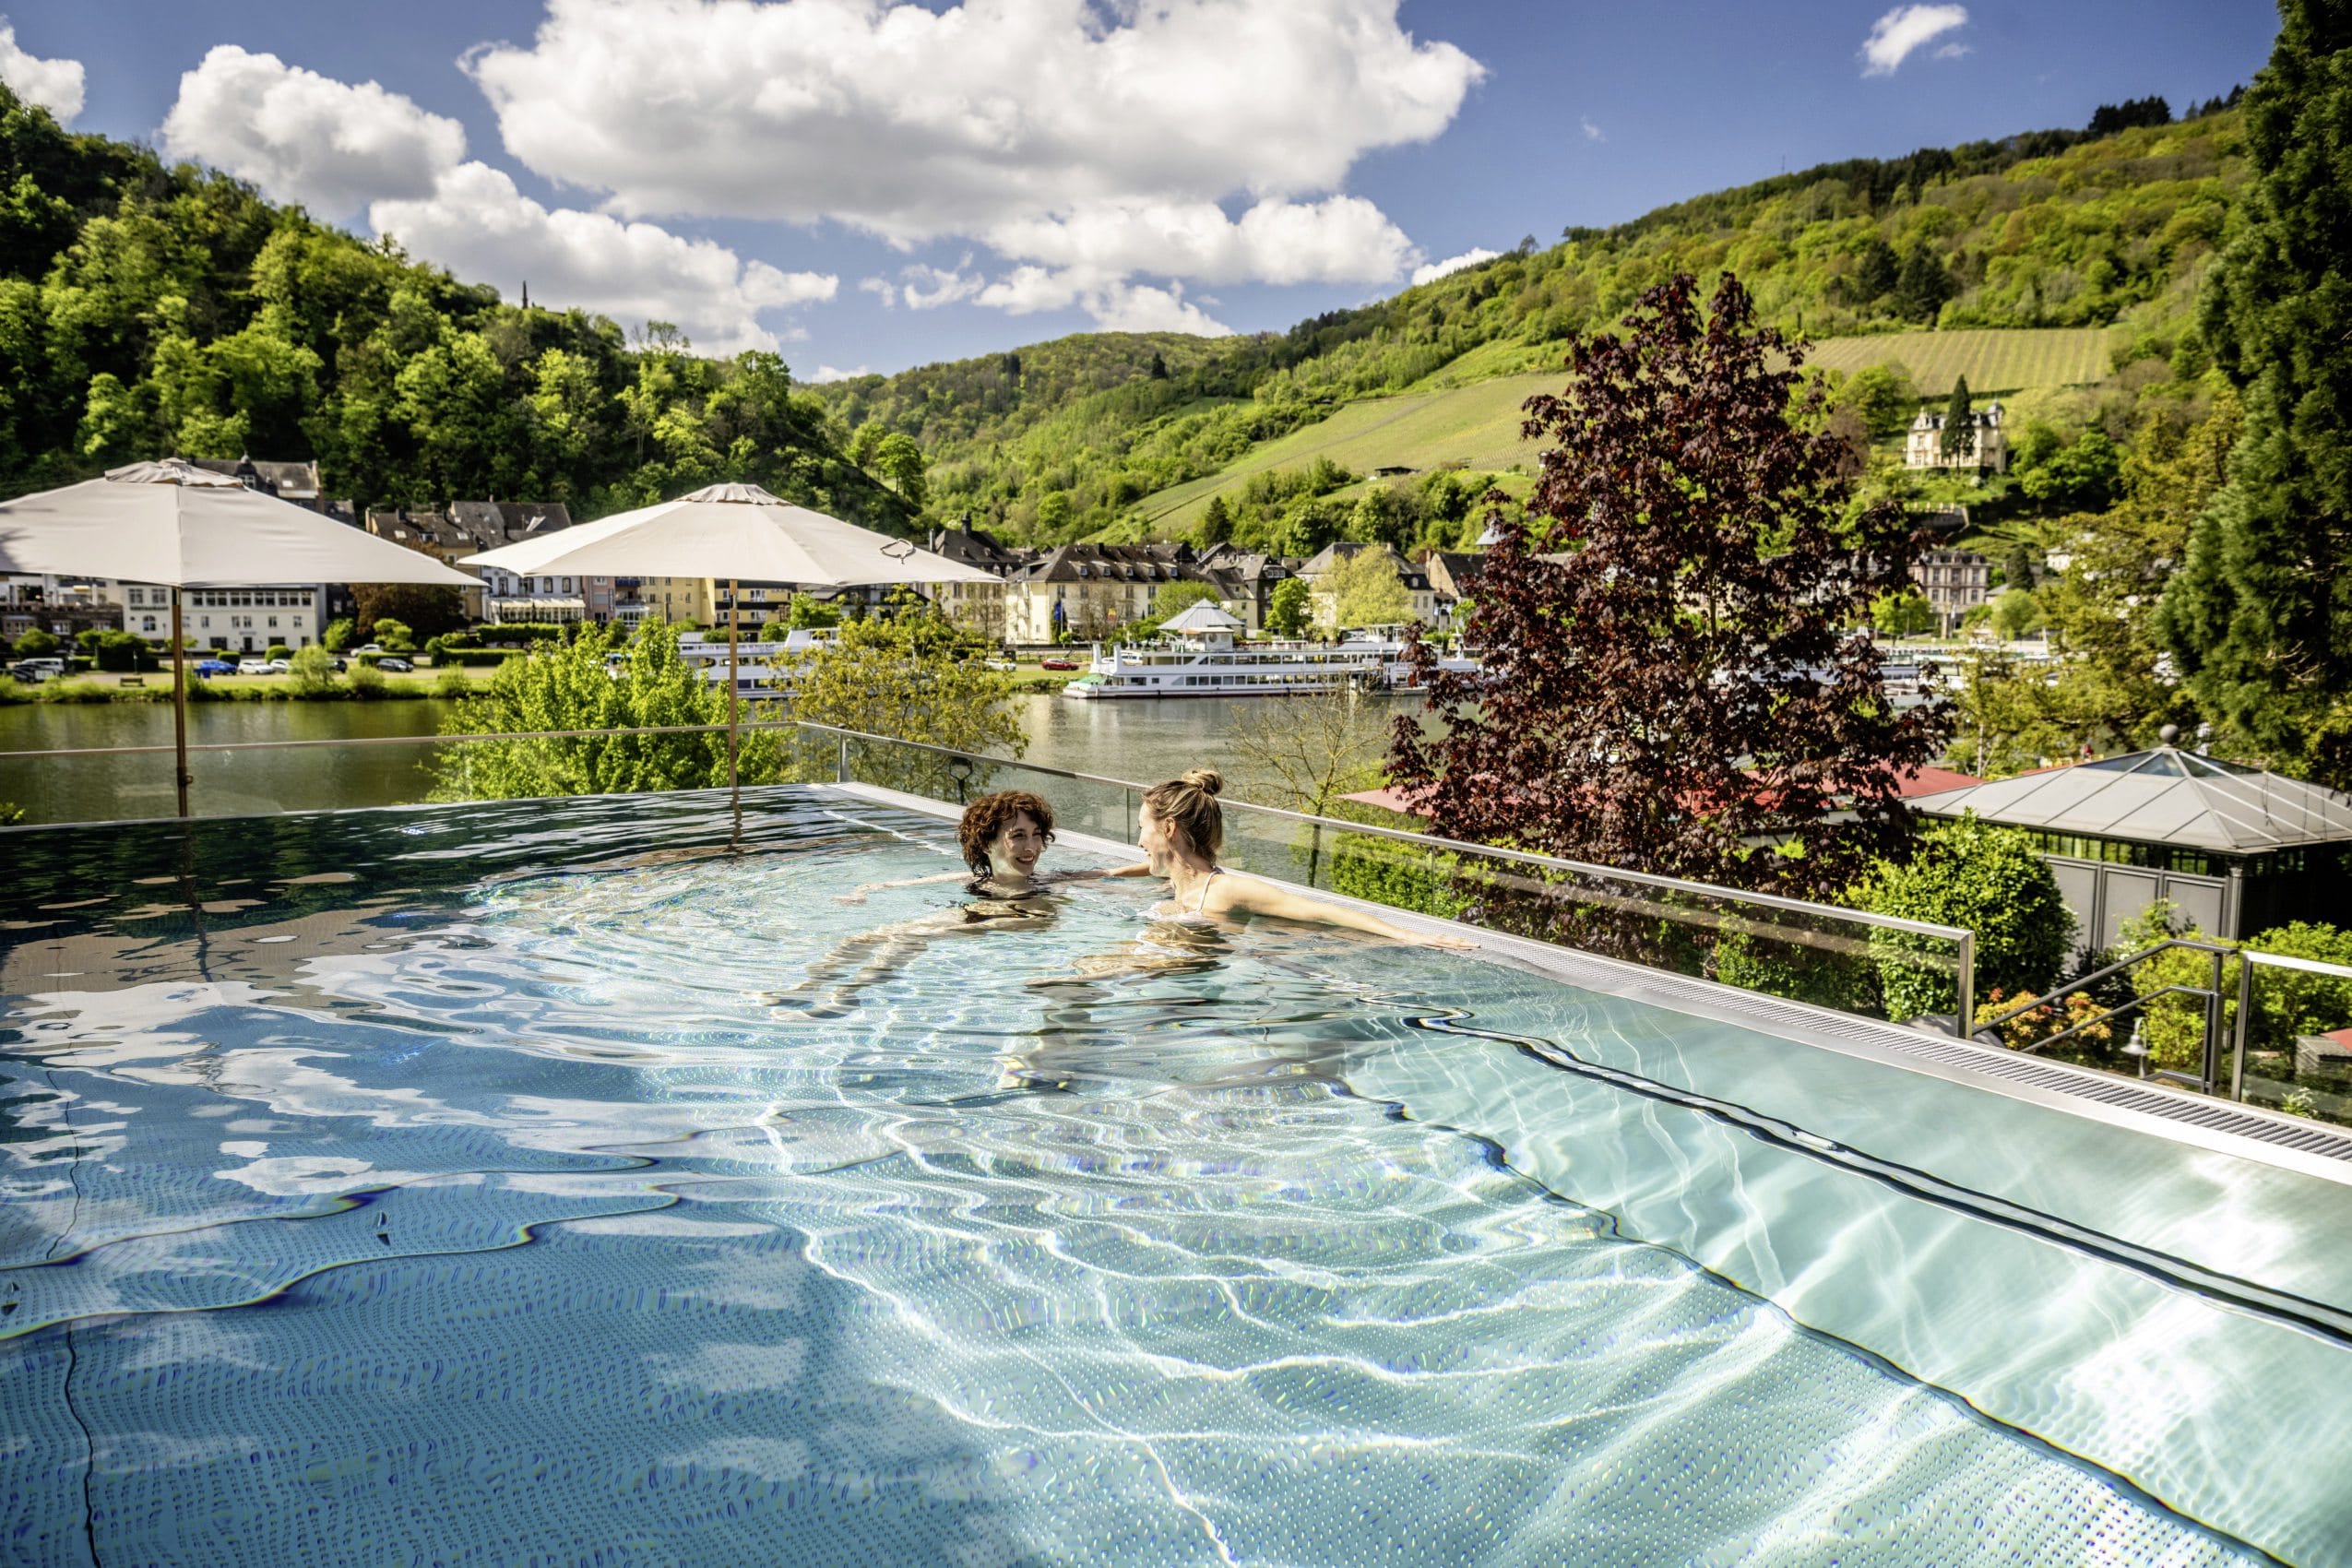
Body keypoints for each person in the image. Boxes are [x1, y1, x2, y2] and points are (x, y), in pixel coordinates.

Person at [1135, 768, 1476, 947]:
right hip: (1168, 989)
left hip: (1192, 1004)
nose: (1139, 842)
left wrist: (1407, 935)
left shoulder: (1222, 890)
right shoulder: (1183, 889)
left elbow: (1320, 910)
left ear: (1169, 828)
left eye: (1142, 829)